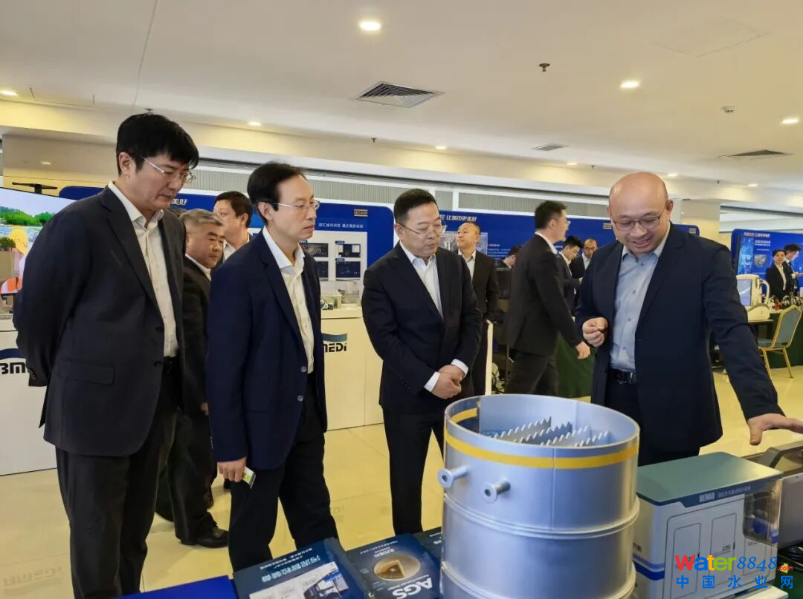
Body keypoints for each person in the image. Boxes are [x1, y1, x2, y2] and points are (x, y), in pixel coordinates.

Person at [13, 113, 198, 598]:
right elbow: (35, 320)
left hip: (157, 405)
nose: (177, 184)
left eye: (184, 174)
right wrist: (74, 382)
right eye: (167, 171)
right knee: (97, 542)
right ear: (126, 162)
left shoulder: (172, 228)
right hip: (92, 412)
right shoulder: (78, 224)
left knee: (134, 536)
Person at [577, 172, 803, 466]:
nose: (638, 232)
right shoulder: (603, 259)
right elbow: (585, 309)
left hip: (673, 407)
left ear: (669, 208)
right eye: (625, 222)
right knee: (609, 487)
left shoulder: (705, 258)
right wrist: (588, 326)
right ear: (610, 215)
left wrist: (760, 403)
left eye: (649, 219)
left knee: (665, 491)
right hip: (611, 402)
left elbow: (732, 330)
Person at [207, 162, 338, 571]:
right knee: (252, 529)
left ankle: (331, 585)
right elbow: (223, 368)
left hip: (305, 417)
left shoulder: (307, 265)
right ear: (266, 210)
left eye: (313, 203)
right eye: (299, 205)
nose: (311, 213)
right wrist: (229, 446)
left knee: (315, 516)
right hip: (257, 428)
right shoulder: (238, 273)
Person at [362, 189, 482, 535]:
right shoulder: (380, 274)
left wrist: (458, 367)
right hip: (408, 398)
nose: (433, 234)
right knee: (406, 484)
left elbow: (472, 318)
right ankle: (409, 548)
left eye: (438, 224)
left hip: (457, 393)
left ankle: (468, 541)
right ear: (400, 230)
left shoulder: (453, 264)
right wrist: (431, 380)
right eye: (423, 228)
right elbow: (385, 340)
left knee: (467, 478)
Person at [155, 210, 228, 548]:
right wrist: (203, 394)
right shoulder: (186, 277)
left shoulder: (200, 275)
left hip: (192, 388)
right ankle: (195, 526)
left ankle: (173, 506)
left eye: (221, 240)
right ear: (187, 238)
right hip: (192, 391)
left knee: (187, 456)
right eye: (211, 238)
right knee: (193, 459)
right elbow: (193, 345)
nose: (217, 247)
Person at [506, 201, 590, 396]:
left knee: (548, 389)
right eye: (565, 221)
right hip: (534, 338)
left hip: (536, 338)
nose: (567, 226)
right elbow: (554, 302)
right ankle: (499, 417)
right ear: (553, 223)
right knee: (518, 393)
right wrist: (576, 340)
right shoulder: (544, 255)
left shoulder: (529, 248)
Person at [455, 221, 499, 395]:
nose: (459, 235)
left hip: (478, 323)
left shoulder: (487, 263)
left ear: (477, 238)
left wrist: (489, 318)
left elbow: (493, 292)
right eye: (458, 232)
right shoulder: (446, 259)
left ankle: (478, 404)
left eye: (465, 231)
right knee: (454, 365)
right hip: (453, 323)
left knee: (478, 367)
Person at [213, 190, 253, 260]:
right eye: (214, 214)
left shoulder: (263, 250)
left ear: (243, 219)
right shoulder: (208, 249)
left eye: (222, 214)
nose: (215, 219)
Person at [558, 235, 583, 313]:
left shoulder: (566, 263)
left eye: (577, 253)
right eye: (574, 251)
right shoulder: (558, 261)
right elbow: (558, 281)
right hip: (561, 304)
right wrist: (578, 281)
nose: (575, 255)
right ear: (567, 248)